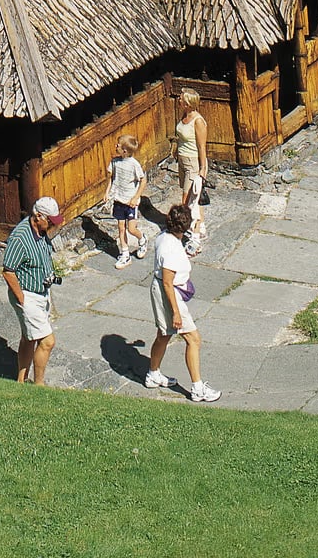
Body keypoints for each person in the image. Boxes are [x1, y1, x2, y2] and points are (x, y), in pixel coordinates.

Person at [144, 202, 221, 403]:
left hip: (161, 289)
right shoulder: (171, 249)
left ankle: (153, 374)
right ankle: (197, 388)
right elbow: (168, 283)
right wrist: (176, 313)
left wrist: (185, 254)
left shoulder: (165, 238)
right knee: (193, 339)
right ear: (185, 226)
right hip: (169, 295)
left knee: (164, 334)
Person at [1, 196, 61, 385]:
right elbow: (8, 271)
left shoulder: (41, 231)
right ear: (38, 216)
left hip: (41, 293)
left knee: (29, 338)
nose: (52, 225)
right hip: (28, 295)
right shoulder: (20, 238)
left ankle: (21, 380)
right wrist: (22, 299)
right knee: (47, 341)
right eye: (50, 221)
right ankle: (39, 384)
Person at [108, 133, 147, 267]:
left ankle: (142, 239)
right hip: (119, 200)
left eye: (117, 145)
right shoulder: (114, 162)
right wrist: (107, 193)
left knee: (131, 229)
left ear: (124, 150)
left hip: (130, 202)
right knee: (121, 228)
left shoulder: (134, 164)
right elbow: (111, 178)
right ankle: (125, 254)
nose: (115, 146)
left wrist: (136, 197)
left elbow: (143, 180)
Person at [174, 90, 208, 206]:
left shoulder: (198, 121)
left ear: (187, 104)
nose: (178, 100)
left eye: (181, 99)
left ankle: (184, 222)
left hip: (192, 161)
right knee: (194, 198)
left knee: (186, 198)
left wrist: (203, 168)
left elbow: (201, 146)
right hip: (182, 159)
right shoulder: (185, 115)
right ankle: (199, 223)